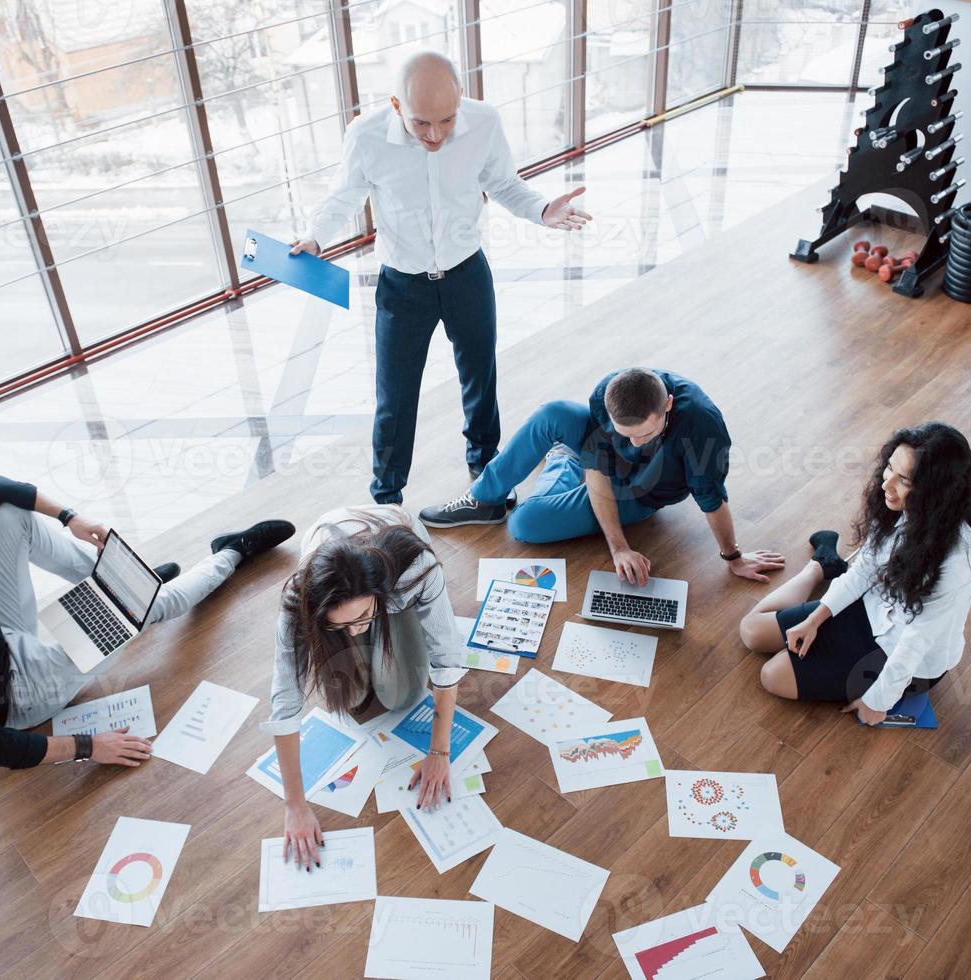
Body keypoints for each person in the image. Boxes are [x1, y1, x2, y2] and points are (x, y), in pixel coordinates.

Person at [292, 51, 593, 505]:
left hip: (467, 274)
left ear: (461, 98)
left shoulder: (485, 123)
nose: (435, 135)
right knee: (394, 397)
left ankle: (486, 469)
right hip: (402, 286)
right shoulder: (366, 136)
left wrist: (542, 209)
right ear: (396, 106)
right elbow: (343, 197)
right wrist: (315, 238)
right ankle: (387, 497)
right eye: (421, 124)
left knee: (480, 377)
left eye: (447, 121)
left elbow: (505, 184)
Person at [0, 476, 294, 768]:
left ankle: (119, 582)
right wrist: (89, 748)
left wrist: (71, 517)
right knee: (153, 609)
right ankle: (230, 553)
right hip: (16, 691)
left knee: (9, 514)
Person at [420, 367, 784, 584]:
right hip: (608, 466)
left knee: (525, 524)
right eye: (627, 434)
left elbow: (712, 501)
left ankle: (563, 459)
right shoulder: (611, 390)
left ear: (668, 405)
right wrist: (619, 547)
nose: (637, 442)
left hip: (642, 490)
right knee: (554, 413)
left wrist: (732, 558)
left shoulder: (702, 429)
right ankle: (485, 498)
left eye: (646, 434)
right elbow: (598, 466)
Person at [737, 422, 971, 724]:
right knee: (751, 631)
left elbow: (915, 641)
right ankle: (820, 567)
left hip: (902, 654)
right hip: (869, 609)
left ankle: (825, 565)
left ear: (934, 492)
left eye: (903, 480)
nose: (886, 484)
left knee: (773, 676)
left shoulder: (956, 560)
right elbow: (865, 570)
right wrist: (815, 619)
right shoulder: (896, 509)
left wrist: (878, 699)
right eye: (889, 469)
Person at [261, 505, 466, 868]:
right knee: (351, 696)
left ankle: (367, 621)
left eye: (361, 618)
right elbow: (285, 703)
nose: (356, 630)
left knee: (400, 694)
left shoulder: (416, 569)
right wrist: (295, 804)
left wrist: (439, 752)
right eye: (341, 626)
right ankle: (349, 621)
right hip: (335, 562)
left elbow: (446, 660)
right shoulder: (298, 603)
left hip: (393, 575)